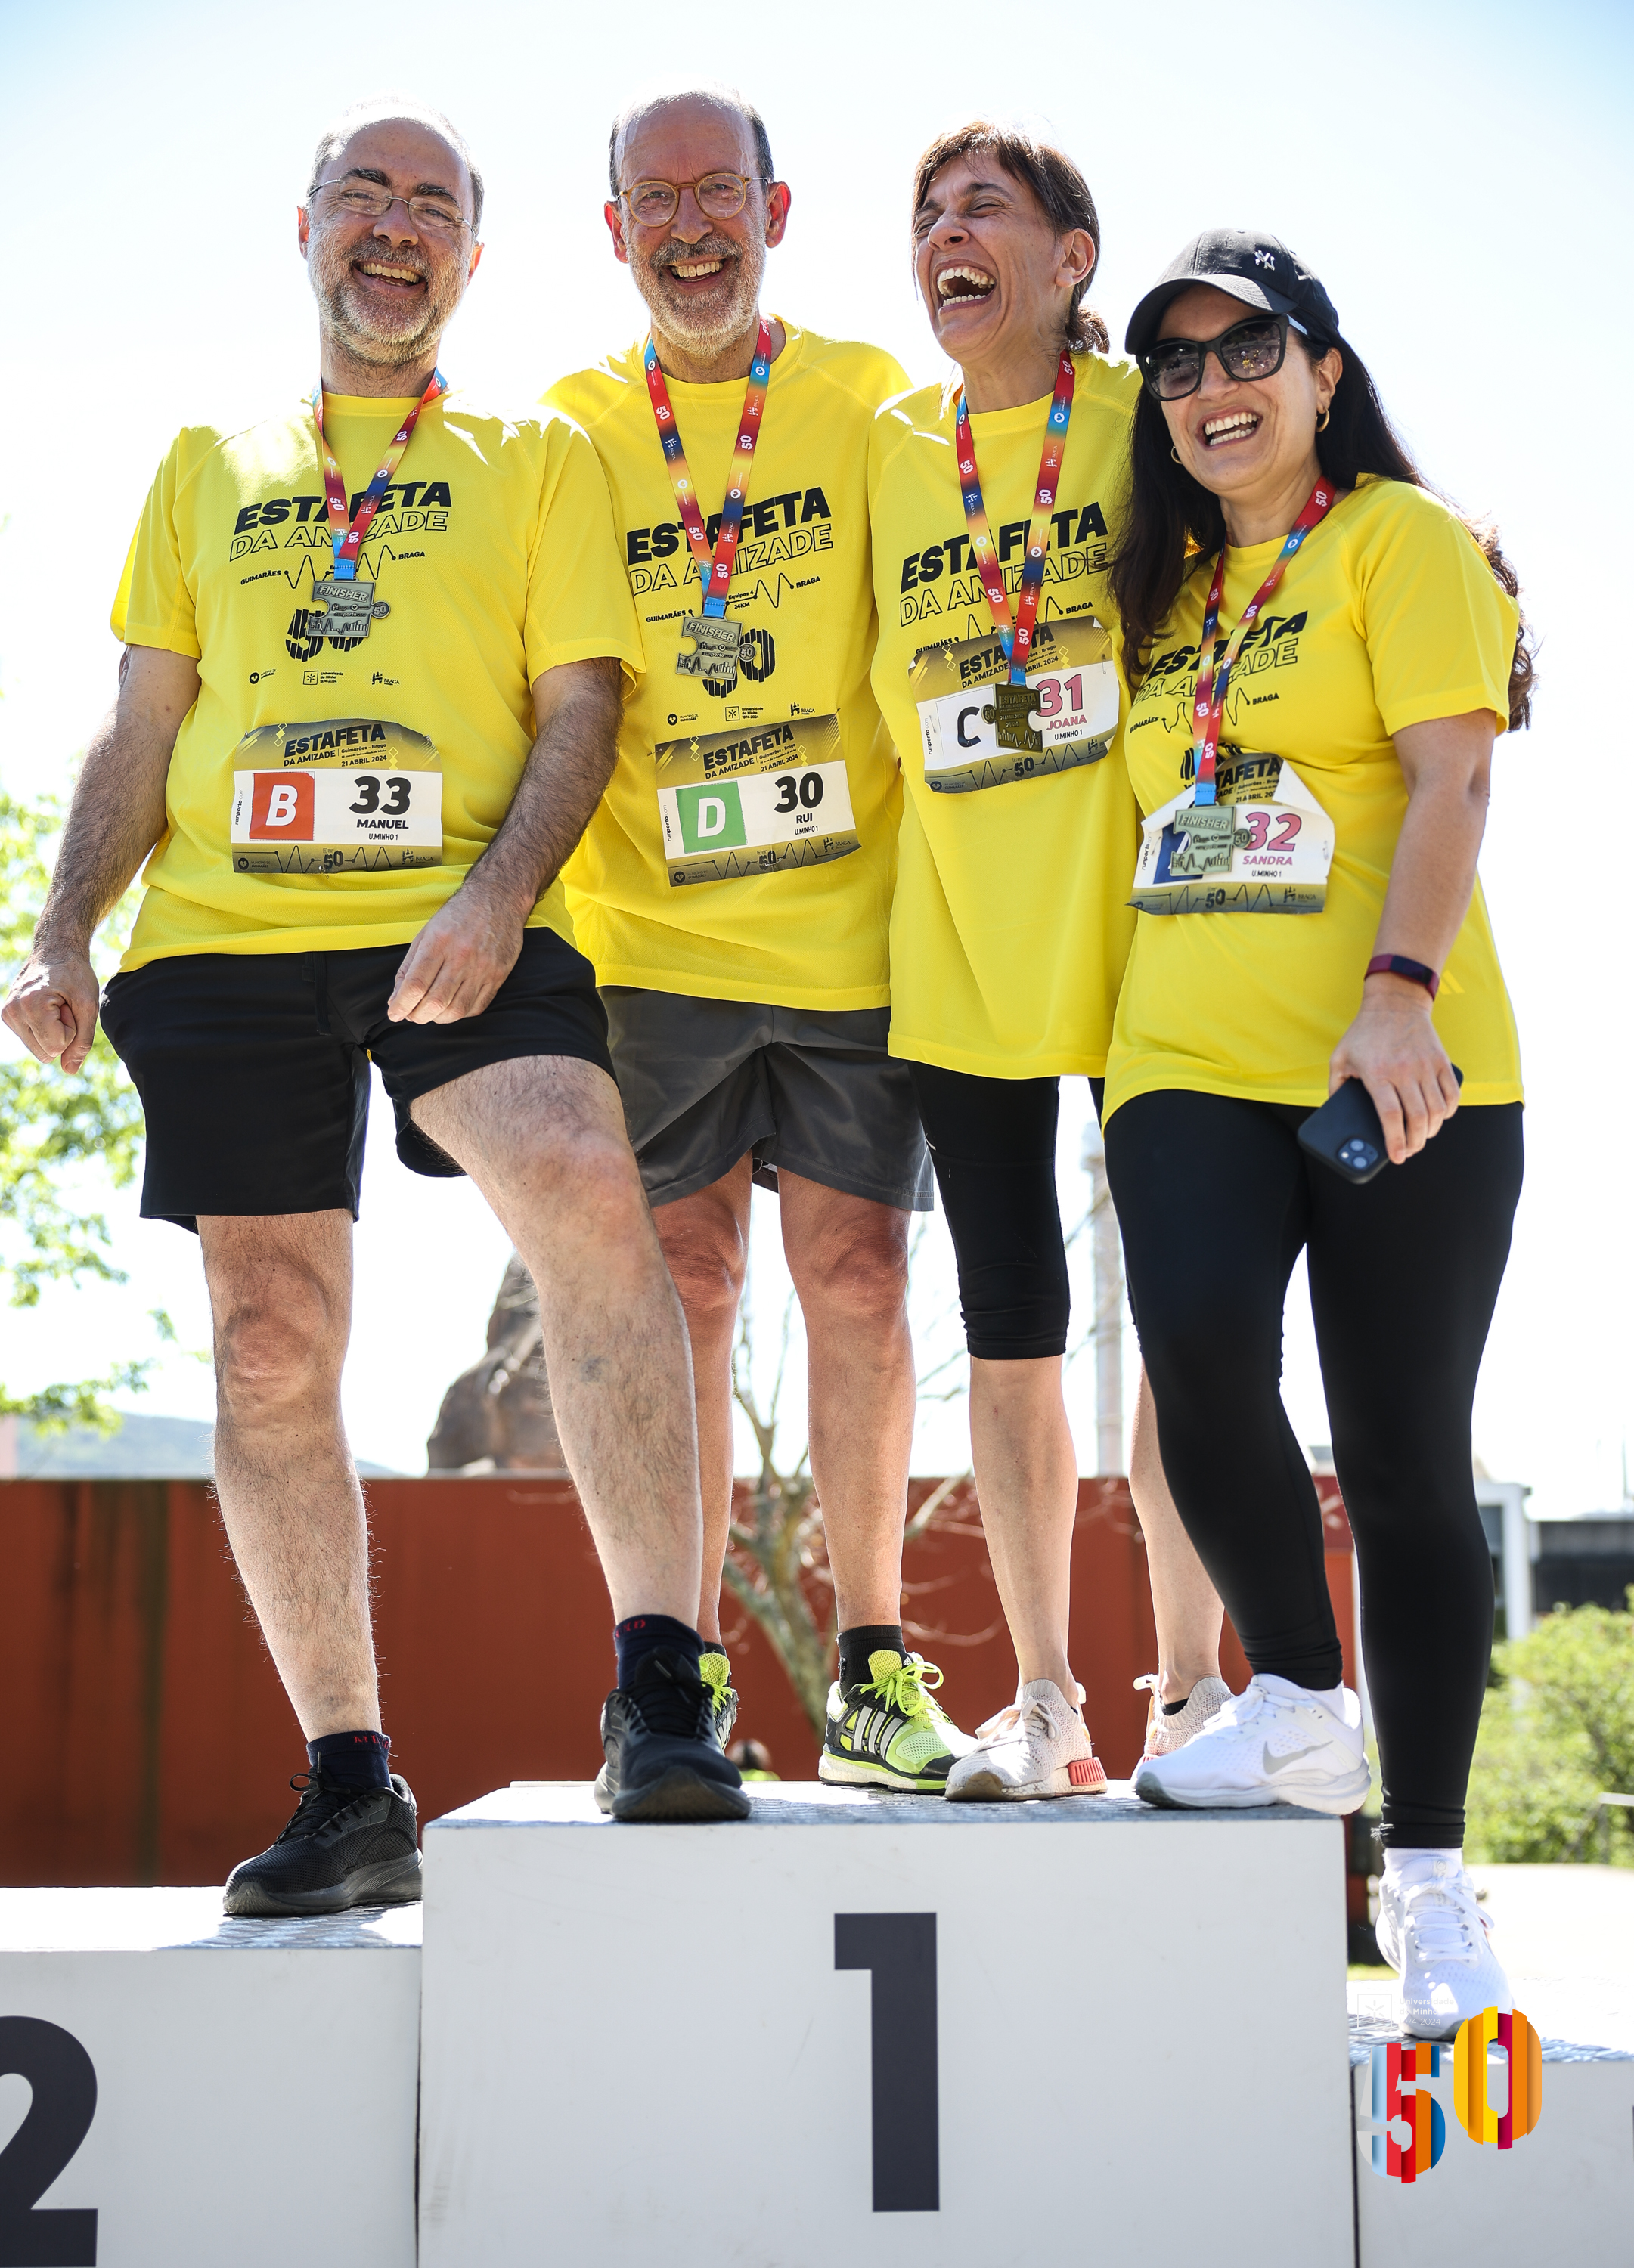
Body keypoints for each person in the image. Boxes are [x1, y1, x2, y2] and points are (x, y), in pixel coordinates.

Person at [2, 97, 751, 1908]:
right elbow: (146, 717)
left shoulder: (533, 454)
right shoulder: (208, 461)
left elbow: (582, 706)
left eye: (432, 205)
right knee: (266, 1341)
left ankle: (662, 1692)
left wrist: (498, 900)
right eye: (364, 194)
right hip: (225, 937)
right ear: (308, 228)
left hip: (453, 915)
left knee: (583, 1175)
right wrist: (63, 927)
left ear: (472, 256)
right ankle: (351, 1788)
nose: (395, 227)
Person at [1105, 228, 1529, 2036]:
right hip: (1181, 1049)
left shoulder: (1401, 543)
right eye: (1177, 366)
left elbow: (1454, 774)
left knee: (1405, 1461)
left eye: (1246, 350)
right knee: (1196, 1347)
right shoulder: (1163, 595)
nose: (1211, 388)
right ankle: (1295, 1695)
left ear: (1322, 371)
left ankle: (1424, 1876)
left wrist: (1399, 991)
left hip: (1400, 1061)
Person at [546, 83, 972, 1793]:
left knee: (859, 1277)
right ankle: (676, 1675)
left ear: (776, 213)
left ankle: (870, 1671)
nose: (691, 225)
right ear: (614, 231)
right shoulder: (566, 430)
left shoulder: (869, 399)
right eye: (656, 199)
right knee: (684, 1292)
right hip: (648, 940)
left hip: (852, 937)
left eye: (719, 191)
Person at [867, 120, 1215, 1801]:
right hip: (957, 942)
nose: (948, 231)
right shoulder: (887, 447)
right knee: (1009, 1324)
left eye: (984, 208)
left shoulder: (1151, 418)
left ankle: (1195, 1693)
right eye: (928, 212)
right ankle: (1049, 1702)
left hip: (1153, 931)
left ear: (1072, 258)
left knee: (1193, 1319)